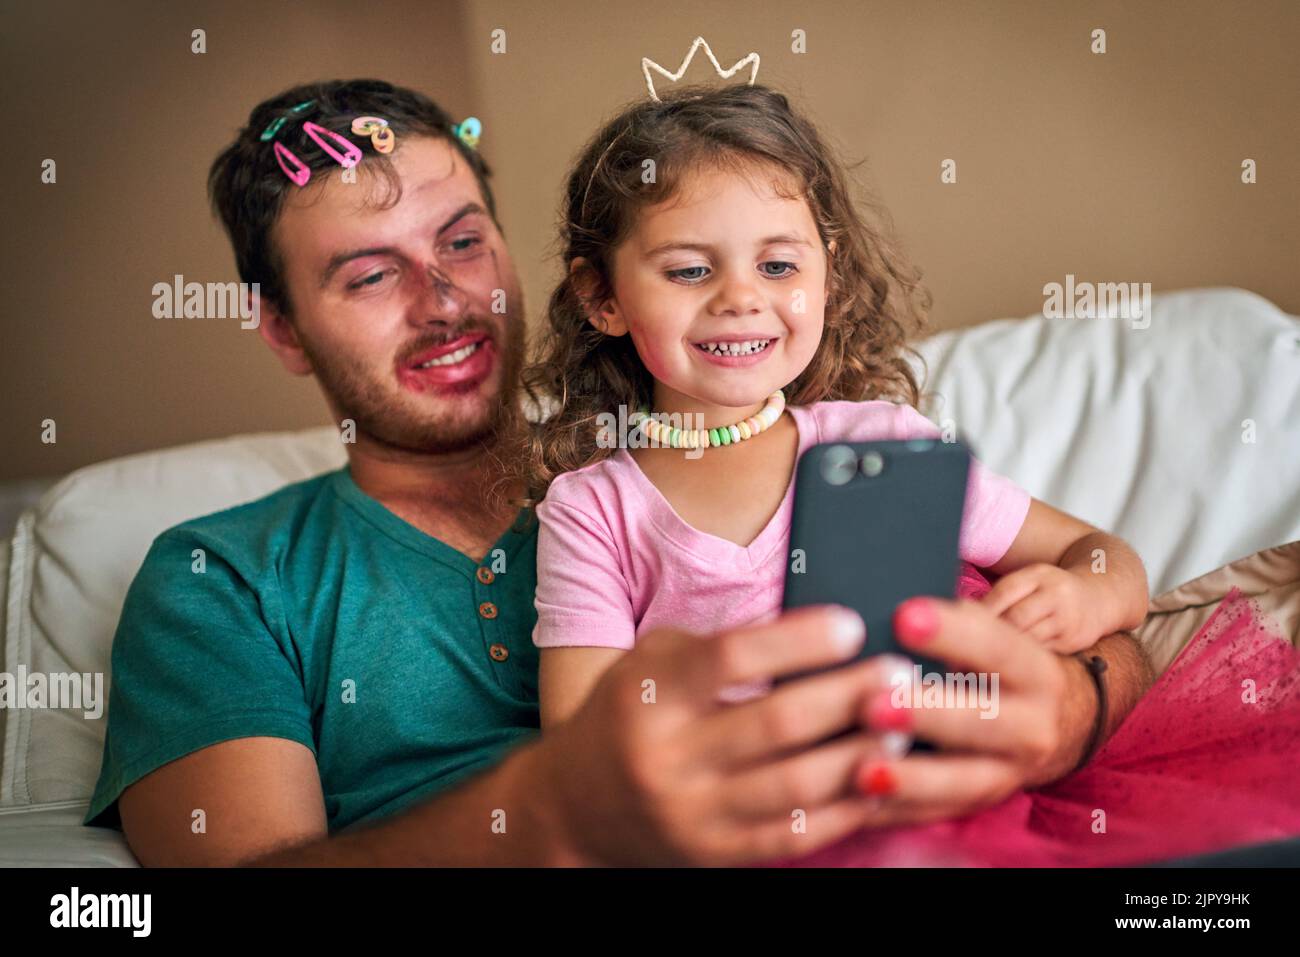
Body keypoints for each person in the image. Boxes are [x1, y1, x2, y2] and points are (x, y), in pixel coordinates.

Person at [84, 78, 1154, 867]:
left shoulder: (771, 450)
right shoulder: (221, 578)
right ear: (280, 329)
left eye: (462, 244)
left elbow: (1110, 610)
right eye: (370, 274)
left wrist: (1070, 703)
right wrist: (559, 814)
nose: (442, 299)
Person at [516, 82, 1300, 866]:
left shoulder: (880, 439)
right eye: (689, 271)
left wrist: (1081, 591)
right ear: (602, 296)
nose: (741, 298)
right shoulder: (592, 510)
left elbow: (1105, 555)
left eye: (779, 263)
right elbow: (586, 748)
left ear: (826, 275)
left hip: (956, 789)